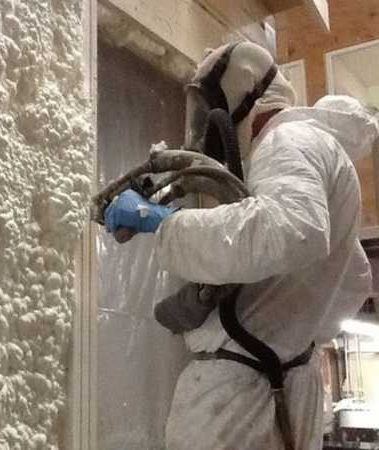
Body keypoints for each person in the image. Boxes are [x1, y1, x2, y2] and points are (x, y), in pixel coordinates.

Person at [104, 41, 378, 450]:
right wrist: (282, 329)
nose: (205, 128)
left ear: (240, 97)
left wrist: (163, 223)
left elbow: (291, 229)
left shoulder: (286, 140)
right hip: (281, 381)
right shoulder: (320, 151)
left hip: (244, 397)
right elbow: (355, 277)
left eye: (208, 109)